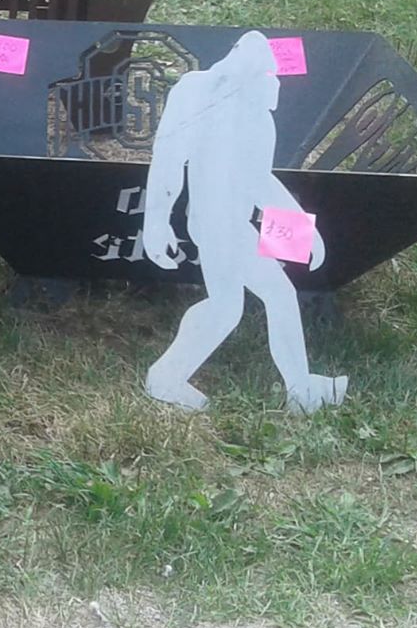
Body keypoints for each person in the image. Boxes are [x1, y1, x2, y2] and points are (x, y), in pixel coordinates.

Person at [140, 31, 347, 412]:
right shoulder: (198, 92)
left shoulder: (257, 119)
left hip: (233, 224)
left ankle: (300, 388)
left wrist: (303, 233)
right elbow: (169, 158)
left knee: (264, 298)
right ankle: (166, 377)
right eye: (266, 77)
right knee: (230, 307)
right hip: (215, 224)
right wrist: (156, 221)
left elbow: (258, 182)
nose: (274, 87)